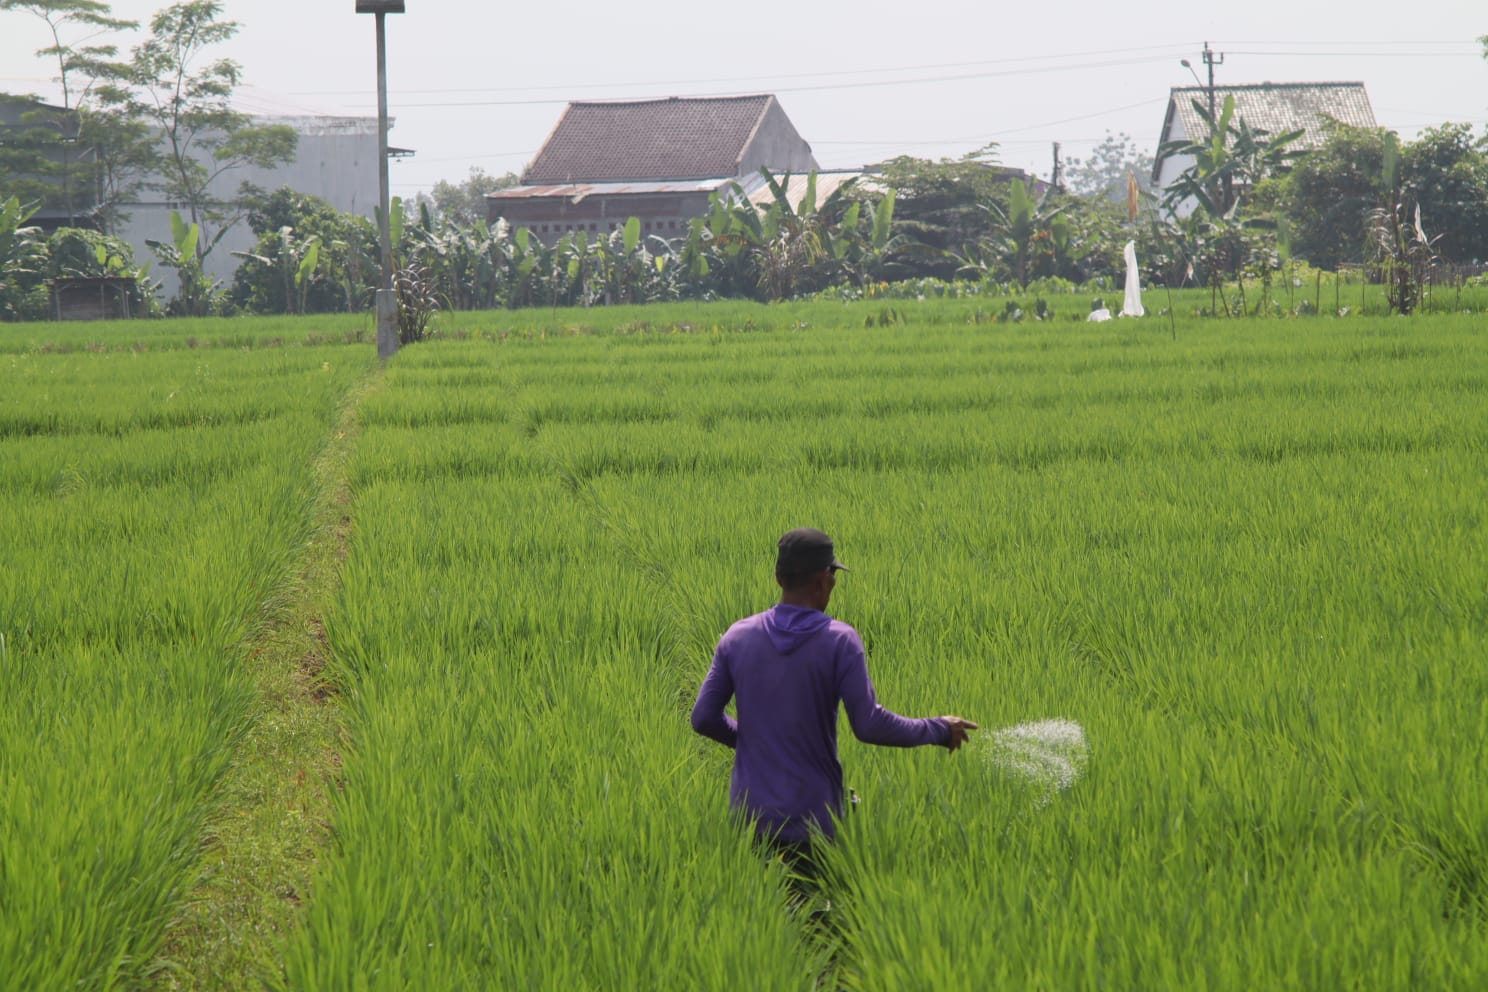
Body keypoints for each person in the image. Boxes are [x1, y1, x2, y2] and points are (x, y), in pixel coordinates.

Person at [690, 527, 977, 878]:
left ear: (779, 578)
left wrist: (760, 744)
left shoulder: (737, 636)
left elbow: (704, 717)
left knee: (763, 918)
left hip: (753, 817)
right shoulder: (840, 640)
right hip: (814, 817)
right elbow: (868, 724)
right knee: (819, 919)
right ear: (826, 580)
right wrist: (937, 729)